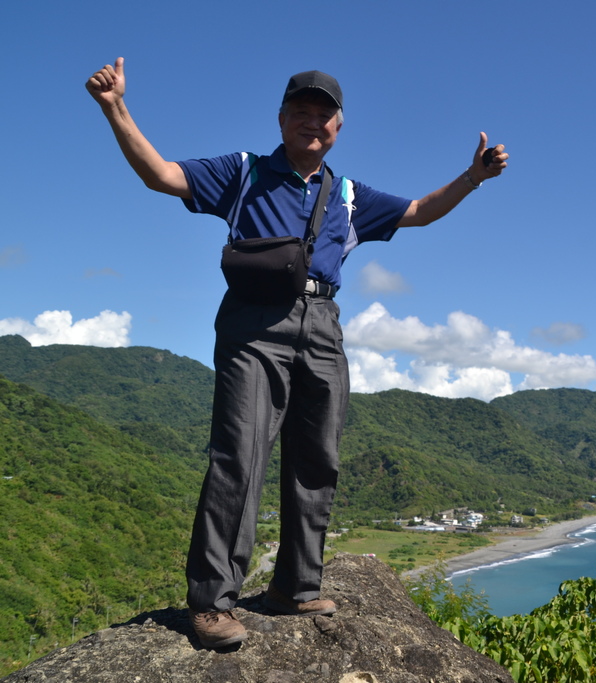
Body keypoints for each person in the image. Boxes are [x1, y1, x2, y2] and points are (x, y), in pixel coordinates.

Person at [86, 57, 508, 649]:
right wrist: (116, 107)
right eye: (302, 112)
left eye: (324, 115)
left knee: (317, 458)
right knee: (240, 455)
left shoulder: (351, 195)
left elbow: (417, 213)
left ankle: (294, 586)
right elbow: (160, 174)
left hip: (324, 323)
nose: (313, 122)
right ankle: (211, 602)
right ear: (282, 119)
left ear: (339, 126)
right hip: (256, 324)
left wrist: (472, 178)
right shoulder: (243, 171)